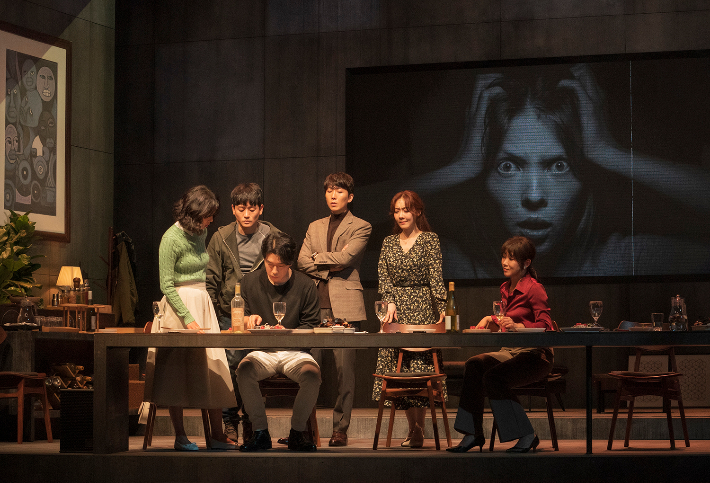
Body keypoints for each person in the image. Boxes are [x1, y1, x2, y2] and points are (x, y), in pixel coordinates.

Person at [147, 185, 237, 451]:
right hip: (179, 308)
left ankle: (217, 434)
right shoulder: (170, 238)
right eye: (208, 215)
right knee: (177, 372)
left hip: (202, 302)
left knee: (214, 368)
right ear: (195, 213)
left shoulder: (202, 232)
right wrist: (187, 318)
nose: (211, 220)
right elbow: (166, 284)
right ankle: (180, 435)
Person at [447, 236, 555, 453]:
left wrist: (519, 326)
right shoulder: (505, 288)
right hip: (511, 351)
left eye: (511, 258)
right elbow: (507, 322)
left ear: (526, 263)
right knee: (474, 364)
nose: (505, 262)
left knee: (494, 377)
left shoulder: (534, 288)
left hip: (535, 355)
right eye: (504, 257)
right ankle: (472, 433)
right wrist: (492, 319)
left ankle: (527, 435)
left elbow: (547, 326)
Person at [297, 172, 372, 447]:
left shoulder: (361, 226)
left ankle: (340, 429)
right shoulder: (314, 226)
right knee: (308, 370)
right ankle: (304, 428)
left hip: (346, 307)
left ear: (349, 196)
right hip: (314, 306)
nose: (333, 195)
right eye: (329, 190)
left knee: (344, 374)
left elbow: (346, 258)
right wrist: (329, 265)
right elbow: (301, 261)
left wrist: (318, 259)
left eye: (339, 191)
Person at [371, 190, 447, 448]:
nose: (401, 215)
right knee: (399, 370)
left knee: (419, 370)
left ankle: (419, 428)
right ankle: (413, 428)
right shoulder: (388, 242)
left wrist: (442, 306)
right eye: (397, 211)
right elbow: (384, 277)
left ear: (417, 211)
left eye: (406, 209)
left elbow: (436, 275)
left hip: (423, 307)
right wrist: (390, 300)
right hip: (396, 310)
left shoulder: (429, 239)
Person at [206, 182, 280, 442]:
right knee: (230, 365)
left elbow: (283, 273)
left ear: (261, 209)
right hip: (230, 312)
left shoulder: (273, 236)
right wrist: (214, 315)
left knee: (256, 366)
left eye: (252, 208)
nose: (247, 214)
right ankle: (230, 422)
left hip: (262, 313)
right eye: (241, 209)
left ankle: (251, 421)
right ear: (233, 210)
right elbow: (210, 279)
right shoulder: (221, 237)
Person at [236, 231, 321, 452]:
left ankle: (297, 433)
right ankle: (260, 432)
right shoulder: (249, 281)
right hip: (261, 351)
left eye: (280, 266)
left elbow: (311, 325)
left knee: (312, 375)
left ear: (290, 263)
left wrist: (290, 333)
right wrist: (247, 319)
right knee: (244, 370)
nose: (274, 271)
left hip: (296, 351)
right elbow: (239, 316)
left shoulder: (305, 284)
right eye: (269, 264)